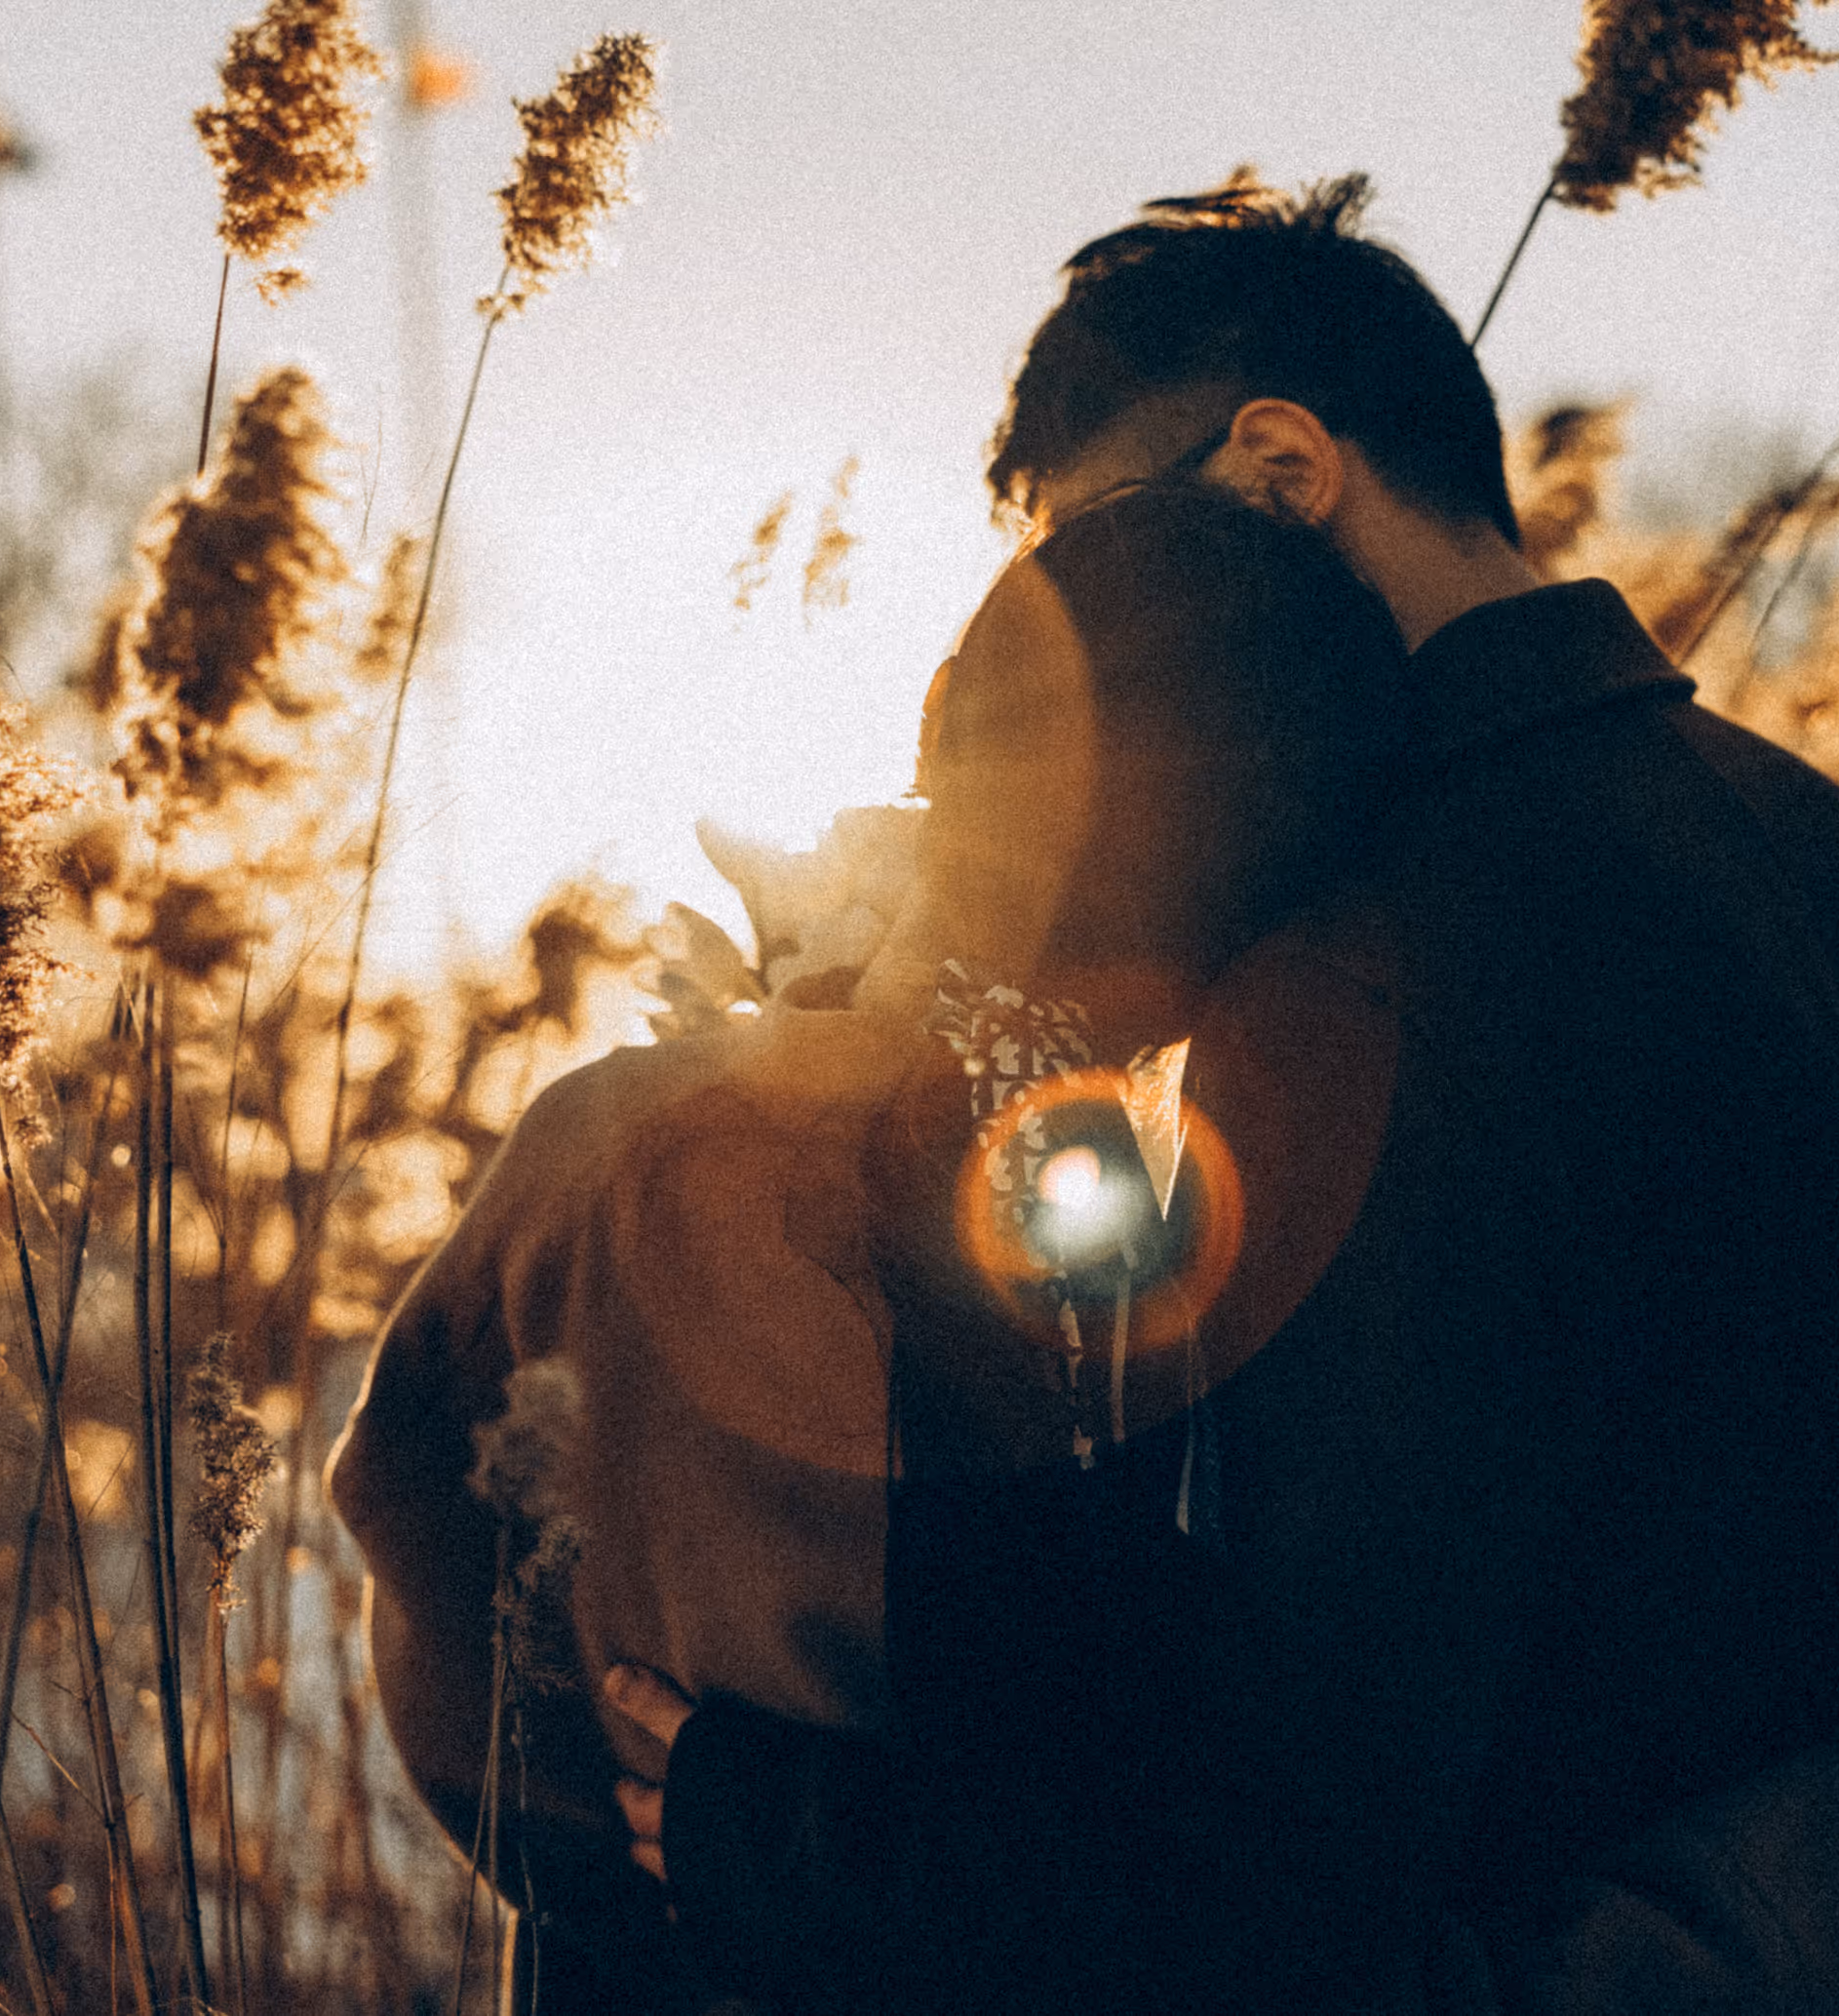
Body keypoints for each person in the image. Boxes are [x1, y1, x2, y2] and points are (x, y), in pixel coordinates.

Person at [599, 175, 1839, 2014]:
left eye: (1102, 547)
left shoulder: (1371, 970)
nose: (1087, 637)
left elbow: (1281, 1855)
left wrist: (788, 1844)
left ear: (1283, 471)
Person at [328, 478, 1420, 2014]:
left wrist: (662, 1858)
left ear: (938, 729)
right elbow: (1161, 1871)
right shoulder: (1078, 1247)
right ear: (1266, 917)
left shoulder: (608, 1137)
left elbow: (410, 1529)